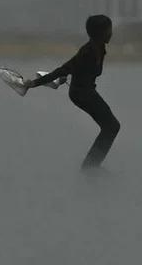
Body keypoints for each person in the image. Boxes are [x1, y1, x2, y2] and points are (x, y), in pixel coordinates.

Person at [24, 14, 121, 172]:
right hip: (81, 94)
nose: (111, 33)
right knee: (112, 126)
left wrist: (72, 76)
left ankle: (91, 165)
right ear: (100, 32)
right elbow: (63, 69)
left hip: (86, 91)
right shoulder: (87, 51)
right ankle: (90, 166)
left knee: (111, 126)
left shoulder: (99, 48)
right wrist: (34, 83)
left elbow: (79, 70)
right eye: (108, 29)